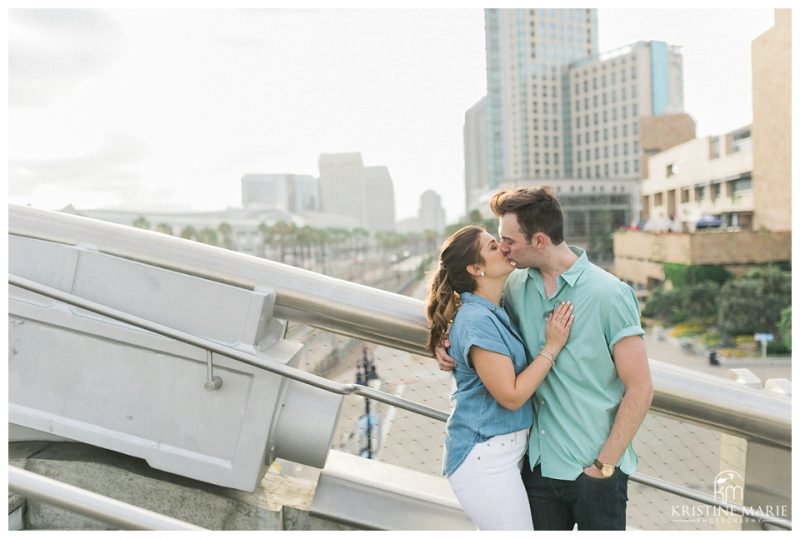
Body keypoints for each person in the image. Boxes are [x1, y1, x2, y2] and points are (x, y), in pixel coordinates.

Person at [436, 187, 653, 531]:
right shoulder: (514, 287)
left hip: (596, 470)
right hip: (538, 469)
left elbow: (640, 388)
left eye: (507, 240)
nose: (503, 247)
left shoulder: (610, 294)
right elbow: (475, 313)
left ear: (538, 240)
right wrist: (445, 341)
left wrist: (604, 465)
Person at [425, 225, 574, 530]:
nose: (504, 249)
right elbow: (511, 396)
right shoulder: (478, 320)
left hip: (500, 455)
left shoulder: (492, 309)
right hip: (484, 461)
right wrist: (552, 347)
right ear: (475, 268)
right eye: (493, 247)